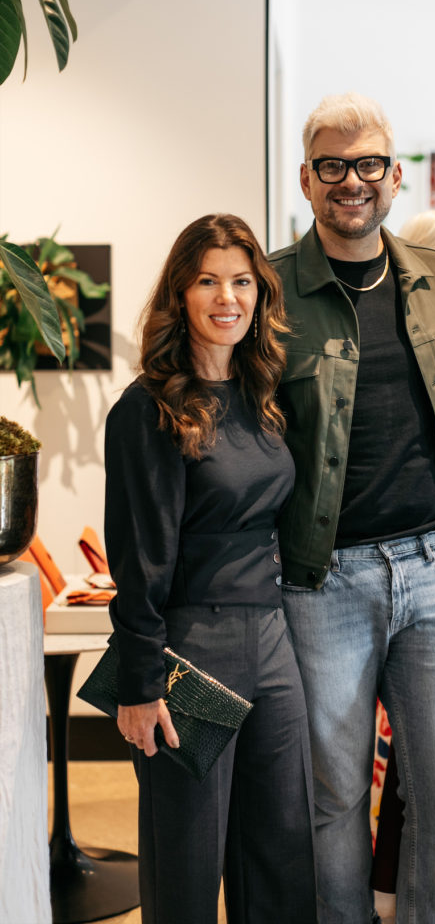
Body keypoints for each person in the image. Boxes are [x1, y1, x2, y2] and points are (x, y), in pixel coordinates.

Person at [269, 92, 435, 924]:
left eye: (366, 166)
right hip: (323, 582)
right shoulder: (273, 290)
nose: (349, 182)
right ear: (307, 178)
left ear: (394, 177)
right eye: (331, 166)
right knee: (332, 797)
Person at [104, 214, 317, 924]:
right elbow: (139, 554)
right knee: (187, 859)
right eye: (206, 281)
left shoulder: (262, 397)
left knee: (281, 850)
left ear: (259, 294)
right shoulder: (149, 409)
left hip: (271, 640)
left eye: (241, 281)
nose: (226, 297)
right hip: (191, 648)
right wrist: (139, 680)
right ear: (180, 294)